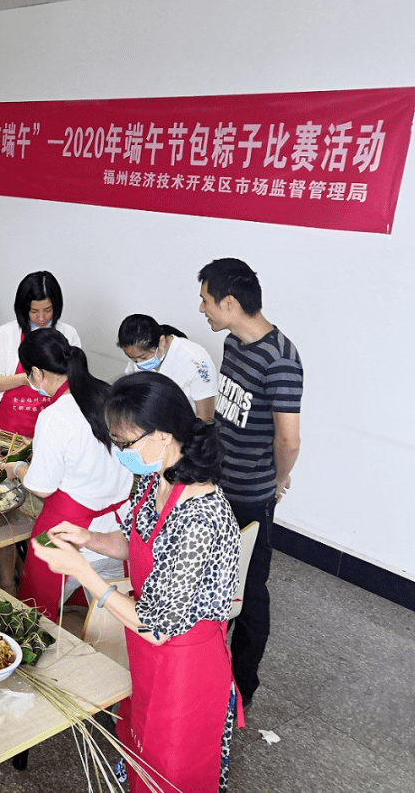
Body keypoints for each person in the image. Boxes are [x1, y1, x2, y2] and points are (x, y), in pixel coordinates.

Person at [30, 371, 242, 793]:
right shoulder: (156, 478)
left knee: (172, 769)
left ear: (162, 435)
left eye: (125, 444)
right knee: (139, 741)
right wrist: (88, 537)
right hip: (145, 651)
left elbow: (157, 626)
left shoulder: (200, 517)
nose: (120, 452)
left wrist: (83, 572)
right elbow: (134, 543)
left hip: (184, 662)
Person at [198, 257, 302, 710]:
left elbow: (289, 438)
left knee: (249, 588)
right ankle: (204, 665)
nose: (201, 308)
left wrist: (279, 481)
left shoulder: (281, 359)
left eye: (206, 301)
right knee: (211, 578)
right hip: (218, 482)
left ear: (230, 302)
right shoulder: (234, 345)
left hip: (251, 494)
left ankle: (240, 688)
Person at [0, 328, 131, 619]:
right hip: (115, 531)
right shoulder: (106, 393)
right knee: (105, 614)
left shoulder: (55, 415)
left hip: (72, 532)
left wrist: (16, 467)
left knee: (40, 615)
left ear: (36, 372)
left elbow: (42, 487)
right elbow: (91, 450)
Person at [0, 270, 81, 590]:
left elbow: (77, 385)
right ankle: (7, 581)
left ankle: (39, 580)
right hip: (8, 433)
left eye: (47, 311)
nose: (40, 317)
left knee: (45, 510)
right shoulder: (6, 335)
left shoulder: (68, 335)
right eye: (34, 311)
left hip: (51, 437)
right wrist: (31, 377)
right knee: (2, 510)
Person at [118, 313, 217, 420]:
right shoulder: (137, 358)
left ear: (162, 342)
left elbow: (205, 419)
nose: (139, 364)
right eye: (133, 359)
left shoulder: (197, 361)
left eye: (143, 357)